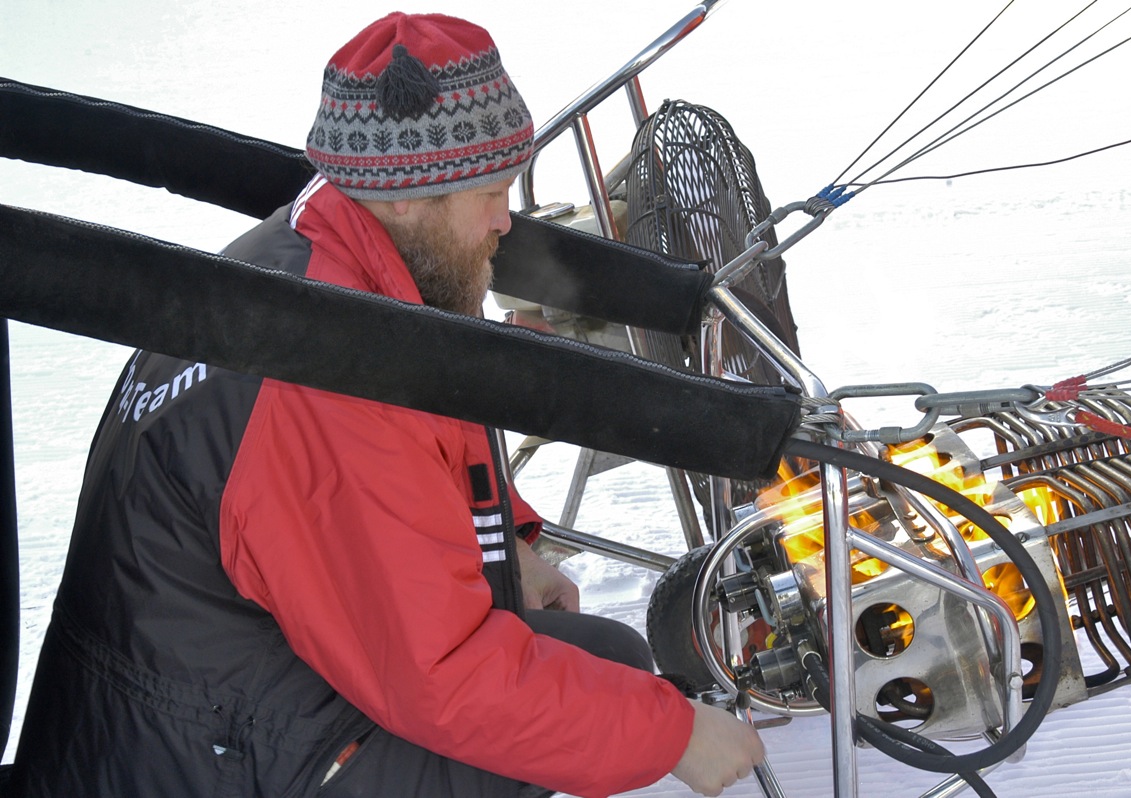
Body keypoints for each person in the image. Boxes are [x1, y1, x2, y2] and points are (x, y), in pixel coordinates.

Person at [10, 11, 764, 798]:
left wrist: (506, 540)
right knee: (572, 713)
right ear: (406, 197)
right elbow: (443, 681)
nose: (506, 222)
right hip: (192, 763)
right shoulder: (320, 378)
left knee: (599, 662)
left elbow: (415, 454)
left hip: (201, 706)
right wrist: (675, 736)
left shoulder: (325, 258)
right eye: (492, 193)